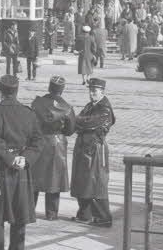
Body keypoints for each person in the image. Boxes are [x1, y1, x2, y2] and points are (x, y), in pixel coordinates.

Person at [0, 75, 41, 250]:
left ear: (0, 91)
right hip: (21, 168)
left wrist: (10, 159)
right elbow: (37, 142)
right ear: (16, 91)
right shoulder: (28, 113)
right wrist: (25, 159)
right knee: (19, 209)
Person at [71, 75, 115, 226]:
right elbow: (80, 122)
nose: (91, 93)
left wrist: (77, 120)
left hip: (95, 148)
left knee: (96, 182)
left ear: (102, 91)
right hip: (85, 146)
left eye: (94, 91)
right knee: (83, 181)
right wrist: (78, 122)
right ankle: (85, 214)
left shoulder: (104, 108)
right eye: (90, 90)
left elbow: (89, 123)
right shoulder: (90, 106)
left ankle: (103, 217)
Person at [29, 76, 74, 220]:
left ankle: (30, 210)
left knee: (34, 177)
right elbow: (70, 129)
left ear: (49, 87)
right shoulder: (66, 107)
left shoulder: (37, 103)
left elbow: (30, 123)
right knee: (54, 177)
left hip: (38, 141)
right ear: (62, 90)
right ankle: (51, 213)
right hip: (56, 143)